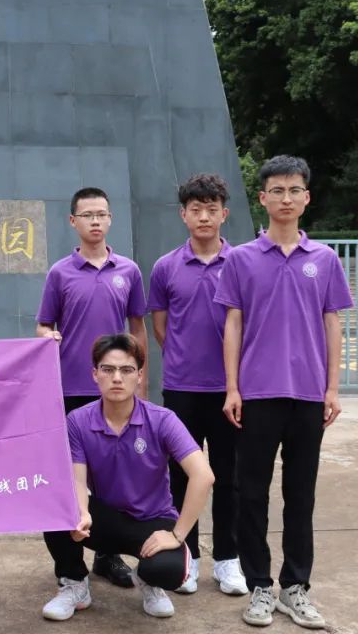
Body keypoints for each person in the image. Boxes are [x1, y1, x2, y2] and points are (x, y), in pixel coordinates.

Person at [214, 155, 353, 629]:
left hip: (309, 396)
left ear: (306, 198)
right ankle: (259, 585)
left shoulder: (324, 259)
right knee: (251, 493)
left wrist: (332, 387)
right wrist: (232, 388)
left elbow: (332, 323)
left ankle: (295, 586)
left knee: (301, 495)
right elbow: (233, 324)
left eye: (294, 190)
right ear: (263, 198)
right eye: (277, 190)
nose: (286, 198)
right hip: (257, 394)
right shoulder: (241, 259)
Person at [42, 334, 214, 621]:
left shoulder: (162, 420)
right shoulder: (78, 421)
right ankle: (74, 583)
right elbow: (77, 480)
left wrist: (176, 534)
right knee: (56, 504)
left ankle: (149, 582)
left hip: (152, 521)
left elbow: (203, 476)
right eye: (108, 369)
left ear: (140, 375)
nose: (117, 378)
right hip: (104, 520)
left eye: (126, 370)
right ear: (95, 374)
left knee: (169, 571)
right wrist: (82, 513)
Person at [36, 186, 148, 588]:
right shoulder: (60, 273)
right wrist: (47, 337)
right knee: (69, 475)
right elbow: (43, 325)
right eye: (87, 215)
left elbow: (137, 329)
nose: (95, 221)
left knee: (110, 477)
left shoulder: (128, 271)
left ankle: (107, 555)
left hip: (115, 389)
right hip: (69, 389)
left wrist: (140, 384)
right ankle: (70, 566)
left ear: (110, 219)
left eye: (101, 214)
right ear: (73, 221)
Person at [148, 173, 247, 596]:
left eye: (211, 209)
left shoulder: (242, 263)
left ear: (224, 214)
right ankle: (186, 559)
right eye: (196, 210)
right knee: (180, 477)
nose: (204, 217)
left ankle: (228, 561)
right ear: (183, 215)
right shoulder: (166, 267)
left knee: (229, 477)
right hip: (182, 390)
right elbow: (161, 327)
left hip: (230, 390)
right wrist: (185, 359)